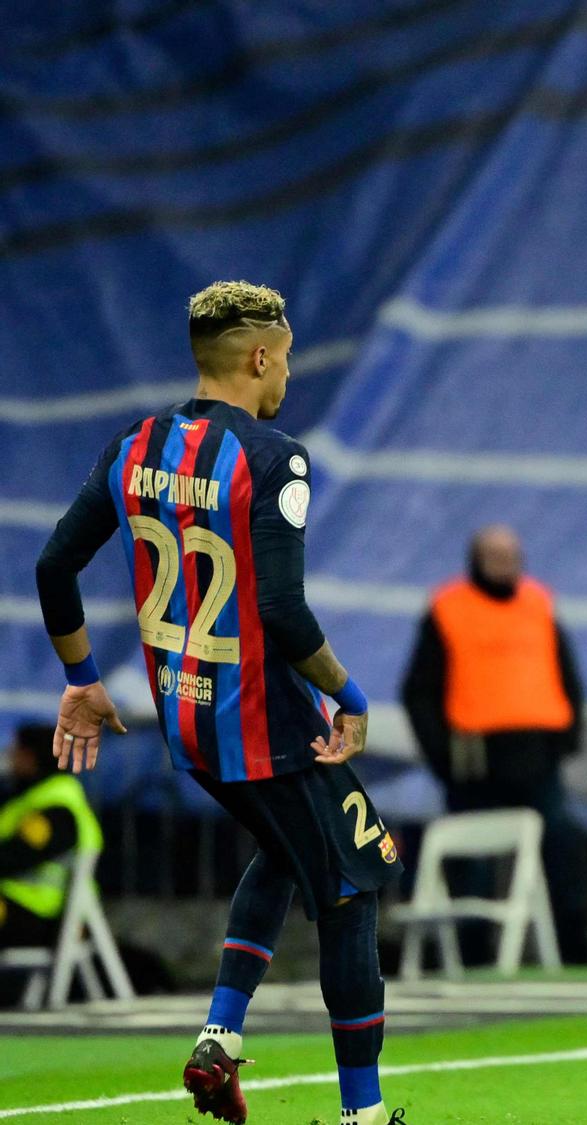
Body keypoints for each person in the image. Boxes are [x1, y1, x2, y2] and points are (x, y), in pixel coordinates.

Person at [33, 282, 400, 1125]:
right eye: (288, 357)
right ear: (261, 355)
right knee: (351, 884)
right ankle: (364, 1116)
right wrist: (347, 693)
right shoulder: (277, 457)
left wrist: (82, 680)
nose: (288, 376)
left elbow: (55, 566)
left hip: (188, 723)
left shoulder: (137, 442)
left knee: (285, 849)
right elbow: (280, 608)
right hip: (268, 722)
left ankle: (221, 1035)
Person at [399, 524, 587, 964]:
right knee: (476, 864)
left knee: (560, 850)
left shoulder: (538, 604)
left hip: (538, 757)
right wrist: (442, 756)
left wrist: (570, 735)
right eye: (494, 555)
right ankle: (472, 958)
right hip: (475, 760)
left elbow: (566, 675)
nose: (504, 563)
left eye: (510, 554)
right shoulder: (448, 608)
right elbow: (419, 692)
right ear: (475, 559)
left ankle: (576, 953)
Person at [0, 724, 104, 955]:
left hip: (44, 917)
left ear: (32, 757)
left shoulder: (57, 808)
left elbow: (14, 857)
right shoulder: (29, 797)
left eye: (17, 751)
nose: (11, 757)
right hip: (23, 909)